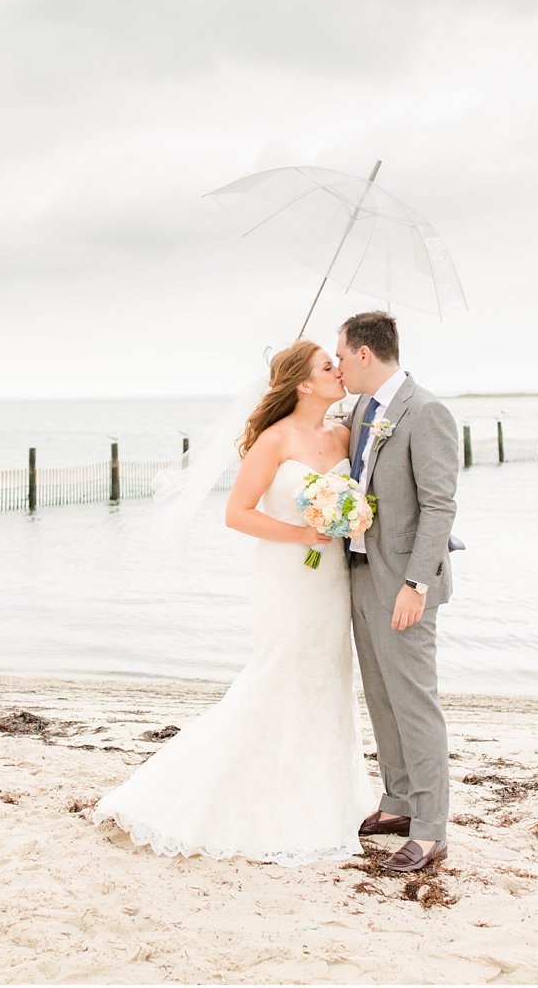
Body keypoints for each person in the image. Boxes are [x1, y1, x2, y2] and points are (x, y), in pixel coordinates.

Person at [92, 340, 374, 865]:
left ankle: (321, 795)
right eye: (327, 367)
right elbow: (237, 513)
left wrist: (345, 517)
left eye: (337, 364)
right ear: (303, 384)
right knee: (278, 672)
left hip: (331, 579)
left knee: (326, 676)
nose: (338, 371)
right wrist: (302, 534)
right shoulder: (273, 440)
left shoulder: (343, 434)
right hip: (288, 576)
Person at [335, 310, 458, 874]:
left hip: (406, 581)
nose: (337, 366)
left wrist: (416, 584)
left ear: (365, 354)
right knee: (381, 695)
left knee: (414, 701)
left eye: (340, 356)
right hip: (360, 571)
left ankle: (431, 830)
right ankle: (400, 803)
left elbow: (439, 506)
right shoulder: (362, 409)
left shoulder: (426, 411)